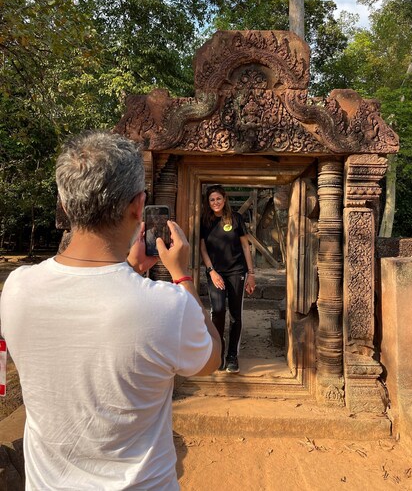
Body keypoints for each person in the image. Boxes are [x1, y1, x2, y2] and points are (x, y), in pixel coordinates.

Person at [0, 131, 221, 490]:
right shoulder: (167, 305)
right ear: (139, 206)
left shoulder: (17, 289)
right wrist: (182, 276)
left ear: (66, 204)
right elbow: (211, 358)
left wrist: (130, 271)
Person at [200, 185, 256, 374]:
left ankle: (232, 356)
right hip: (215, 273)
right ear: (208, 203)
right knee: (217, 311)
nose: (215, 202)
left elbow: (246, 247)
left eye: (218, 198)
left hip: (237, 272)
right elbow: (203, 249)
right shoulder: (205, 221)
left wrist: (251, 274)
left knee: (235, 315)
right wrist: (211, 271)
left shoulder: (236, 219)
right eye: (212, 200)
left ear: (224, 199)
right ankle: (219, 353)